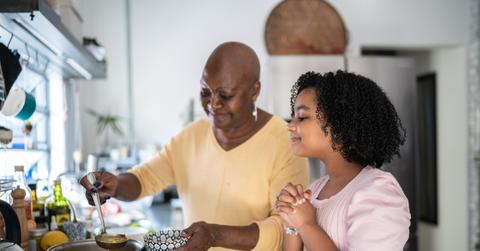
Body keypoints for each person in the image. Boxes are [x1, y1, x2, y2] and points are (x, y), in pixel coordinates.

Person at [80, 42, 309, 251]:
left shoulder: (286, 142)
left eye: (225, 95)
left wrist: (214, 235)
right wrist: (117, 184)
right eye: (205, 92)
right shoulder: (191, 136)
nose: (213, 104)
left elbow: (287, 228)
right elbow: (146, 178)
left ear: (254, 91)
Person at [275, 71, 410, 251]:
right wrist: (291, 217)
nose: (290, 125)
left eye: (302, 117)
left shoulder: (379, 192)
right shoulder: (315, 190)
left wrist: (307, 224)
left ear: (339, 125)